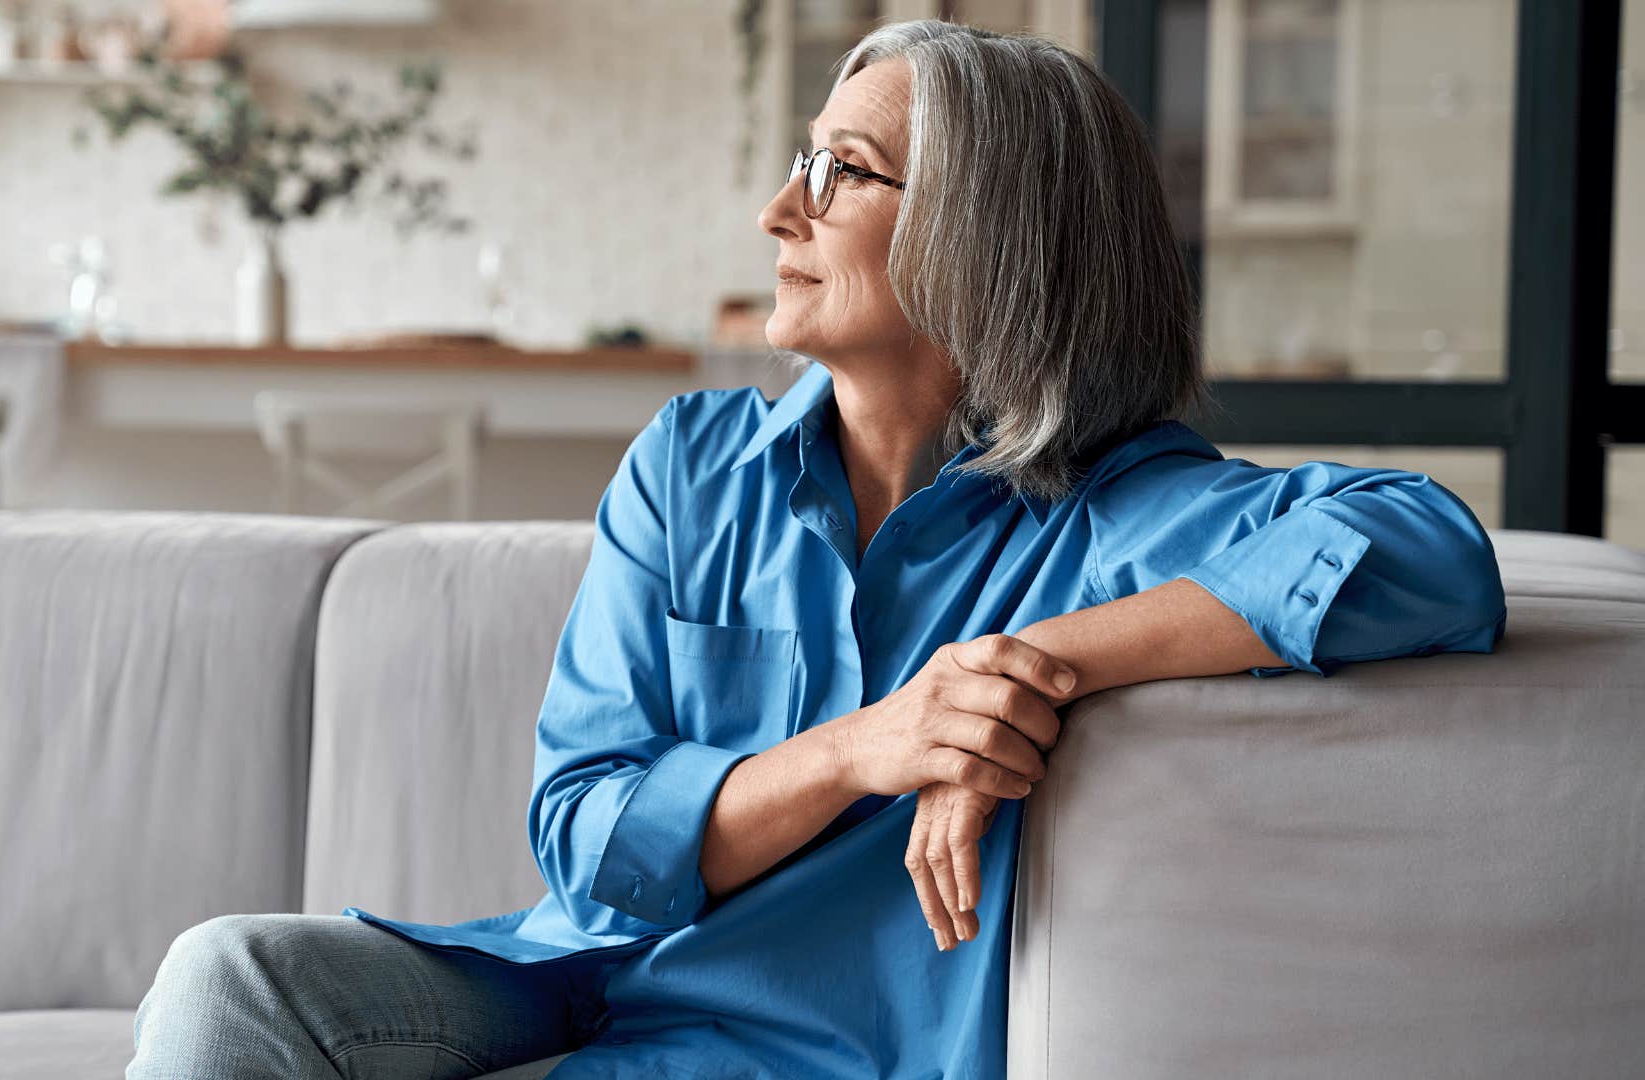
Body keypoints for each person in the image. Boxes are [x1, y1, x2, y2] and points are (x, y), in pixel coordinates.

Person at [127, 20, 1507, 1079]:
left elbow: (1432, 554)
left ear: (987, 239)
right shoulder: (691, 463)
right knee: (227, 980)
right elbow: (584, 839)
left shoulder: (1120, 514)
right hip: (591, 972)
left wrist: (1024, 663)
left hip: (817, 1045)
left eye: (839, 174)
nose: (780, 214)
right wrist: (873, 745)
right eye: (803, 163)